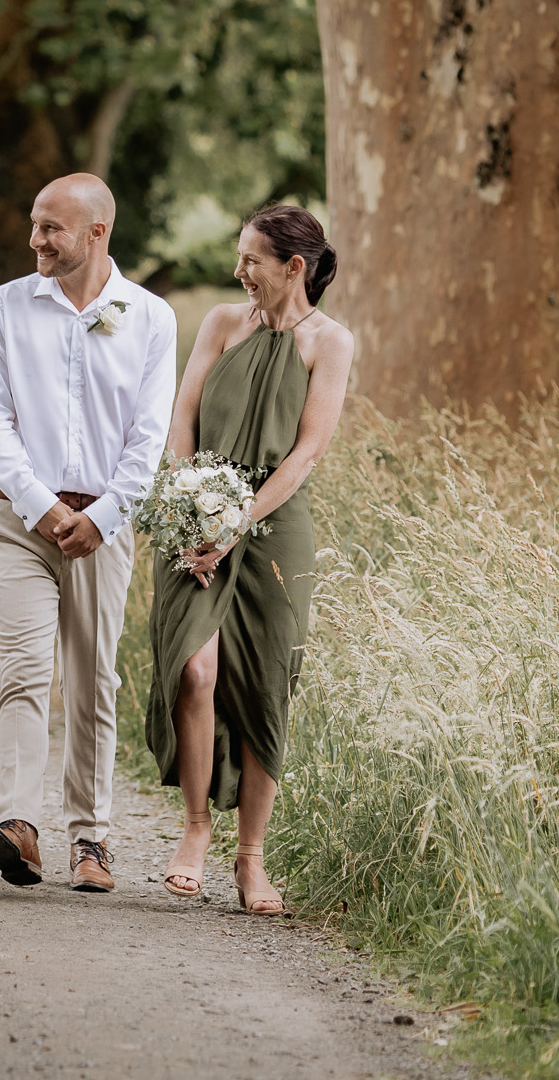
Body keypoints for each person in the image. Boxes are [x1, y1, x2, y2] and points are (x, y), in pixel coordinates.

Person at [0, 172, 175, 893]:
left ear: (97, 232)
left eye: (51, 228)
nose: (35, 241)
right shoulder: (6, 306)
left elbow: (148, 439)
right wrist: (41, 505)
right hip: (18, 521)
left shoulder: (149, 317)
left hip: (103, 527)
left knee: (93, 679)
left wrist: (102, 515)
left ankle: (90, 837)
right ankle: (18, 823)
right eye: (33, 224)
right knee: (25, 673)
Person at [149, 205, 351, 915]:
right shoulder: (220, 324)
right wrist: (185, 510)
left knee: (268, 686)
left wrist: (236, 523)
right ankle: (197, 830)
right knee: (194, 670)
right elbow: (182, 419)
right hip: (194, 518)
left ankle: (252, 861)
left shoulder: (331, 342)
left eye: (252, 260)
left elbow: (307, 452)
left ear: (294, 267)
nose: (240, 272)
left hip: (273, 528)